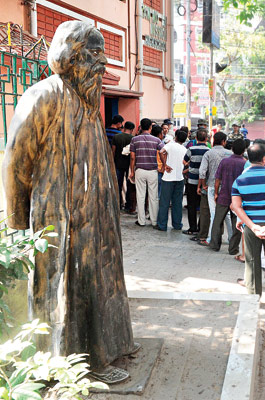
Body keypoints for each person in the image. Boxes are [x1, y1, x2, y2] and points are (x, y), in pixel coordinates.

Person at [3, 21, 136, 380]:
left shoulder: (88, 100)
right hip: (59, 214)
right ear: (71, 56)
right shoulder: (45, 95)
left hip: (96, 213)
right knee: (69, 283)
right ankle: (77, 362)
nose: (104, 62)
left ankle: (111, 345)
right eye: (95, 53)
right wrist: (17, 223)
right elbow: (15, 159)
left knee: (103, 278)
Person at [231, 144, 265, 303]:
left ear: (248, 159)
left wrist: (251, 225)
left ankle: (255, 295)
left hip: (250, 226)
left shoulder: (239, 180)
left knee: (252, 261)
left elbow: (236, 206)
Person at [209, 138, 247, 257]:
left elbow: (217, 179)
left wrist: (216, 193)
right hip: (238, 198)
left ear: (232, 149)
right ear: (244, 150)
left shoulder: (225, 161)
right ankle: (233, 248)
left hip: (224, 195)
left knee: (217, 221)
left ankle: (215, 245)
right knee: (237, 223)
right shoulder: (245, 163)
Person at [198, 131, 233, 245]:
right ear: (224, 142)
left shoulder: (208, 153)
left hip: (212, 186)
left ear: (213, 141)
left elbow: (202, 172)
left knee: (213, 213)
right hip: (227, 188)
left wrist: (203, 185)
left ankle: (210, 238)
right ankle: (231, 238)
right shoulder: (230, 154)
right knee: (227, 214)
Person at [129, 118, 163, 227]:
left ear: (140, 127)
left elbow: (132, 157)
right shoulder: (156, 140)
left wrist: (132, 171)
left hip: (140, 170)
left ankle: (141, 221)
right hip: (153, 170)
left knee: (140, 196)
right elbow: (163, 152)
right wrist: (164, 165)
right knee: (153, 196)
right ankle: (154, 221)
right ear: (150, 127)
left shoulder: (135, 140)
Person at [156, 130, 188, 231]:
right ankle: (177, 224)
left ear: (176, 137)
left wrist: (165, 165)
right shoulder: (184, 149)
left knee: (164, 202)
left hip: (168, 178)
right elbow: (187, 162)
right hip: (179, 178)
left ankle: (162, 225)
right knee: (177, 202)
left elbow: (161, 151)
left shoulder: (171, 145)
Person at [184, 128, 211, 239]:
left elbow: (184, 161)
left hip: (192, 180)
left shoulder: (191, 149)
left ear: (196, 138)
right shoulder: (209, 151)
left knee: (191, 205)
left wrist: (190, 166)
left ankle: (192, 228)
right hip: (204, 182)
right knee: (203, 206)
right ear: (206, 139)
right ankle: (200, 228)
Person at [112, 121, 135, 211]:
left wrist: (113, 162)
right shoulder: (133, 138)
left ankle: (118, 204)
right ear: (132, 129)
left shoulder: (116, 137)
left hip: (118, 163)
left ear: (124, 127)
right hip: (129, 165)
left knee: (118, 184)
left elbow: (113, 151)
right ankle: (128, 205)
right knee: (129, 185)